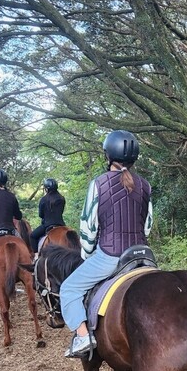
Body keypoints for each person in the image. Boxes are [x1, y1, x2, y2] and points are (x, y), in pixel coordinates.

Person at [60, 130, 153, 357]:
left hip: (111, 256)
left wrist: (87, 252)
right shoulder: (145, 185)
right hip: (143, 256)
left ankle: (83, 338)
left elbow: (88, 227)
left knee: (68, 289)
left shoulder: (98, 183)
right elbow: (148, 226)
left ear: (108, 155)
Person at [29, 178, 66, 254]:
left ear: (46, 189)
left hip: (47, 225)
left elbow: (41, 215)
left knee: (32, 236)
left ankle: (36, 256)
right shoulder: (62, 199)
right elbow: (61, 212)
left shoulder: (44, 199)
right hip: (61, 224)